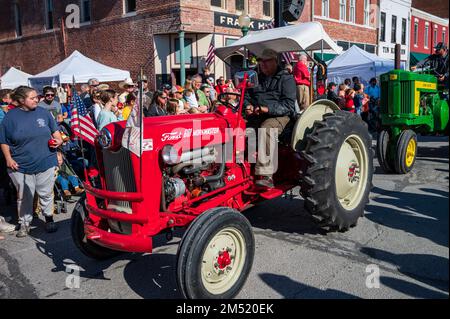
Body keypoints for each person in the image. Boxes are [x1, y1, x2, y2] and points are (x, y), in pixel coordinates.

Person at [0, 86, 62, 237]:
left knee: (46, 192)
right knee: (24, 196)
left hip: (45, 160)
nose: (37, 100)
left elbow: (56, 133)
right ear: (21, 100)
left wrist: (58, 141)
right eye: (32, 98)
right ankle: (25, 223)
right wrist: (8, 158)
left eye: (37, 97)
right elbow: (4, 141)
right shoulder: (10, 117)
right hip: (20, 164)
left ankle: (49, 218)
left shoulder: (43, 113)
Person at [244, 48, 296, 188]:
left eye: (266, 61)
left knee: (266, 128)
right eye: (261, 61)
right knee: (238, 128)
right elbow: (247, 97)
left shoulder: (286, 79)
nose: (263, 64)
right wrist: (247, 106)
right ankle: (239, 167)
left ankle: (266, 175)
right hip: (257, 114)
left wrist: (266, 109)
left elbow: (289, 106)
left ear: (275, 61)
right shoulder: (255, 79)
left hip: (282, 117)